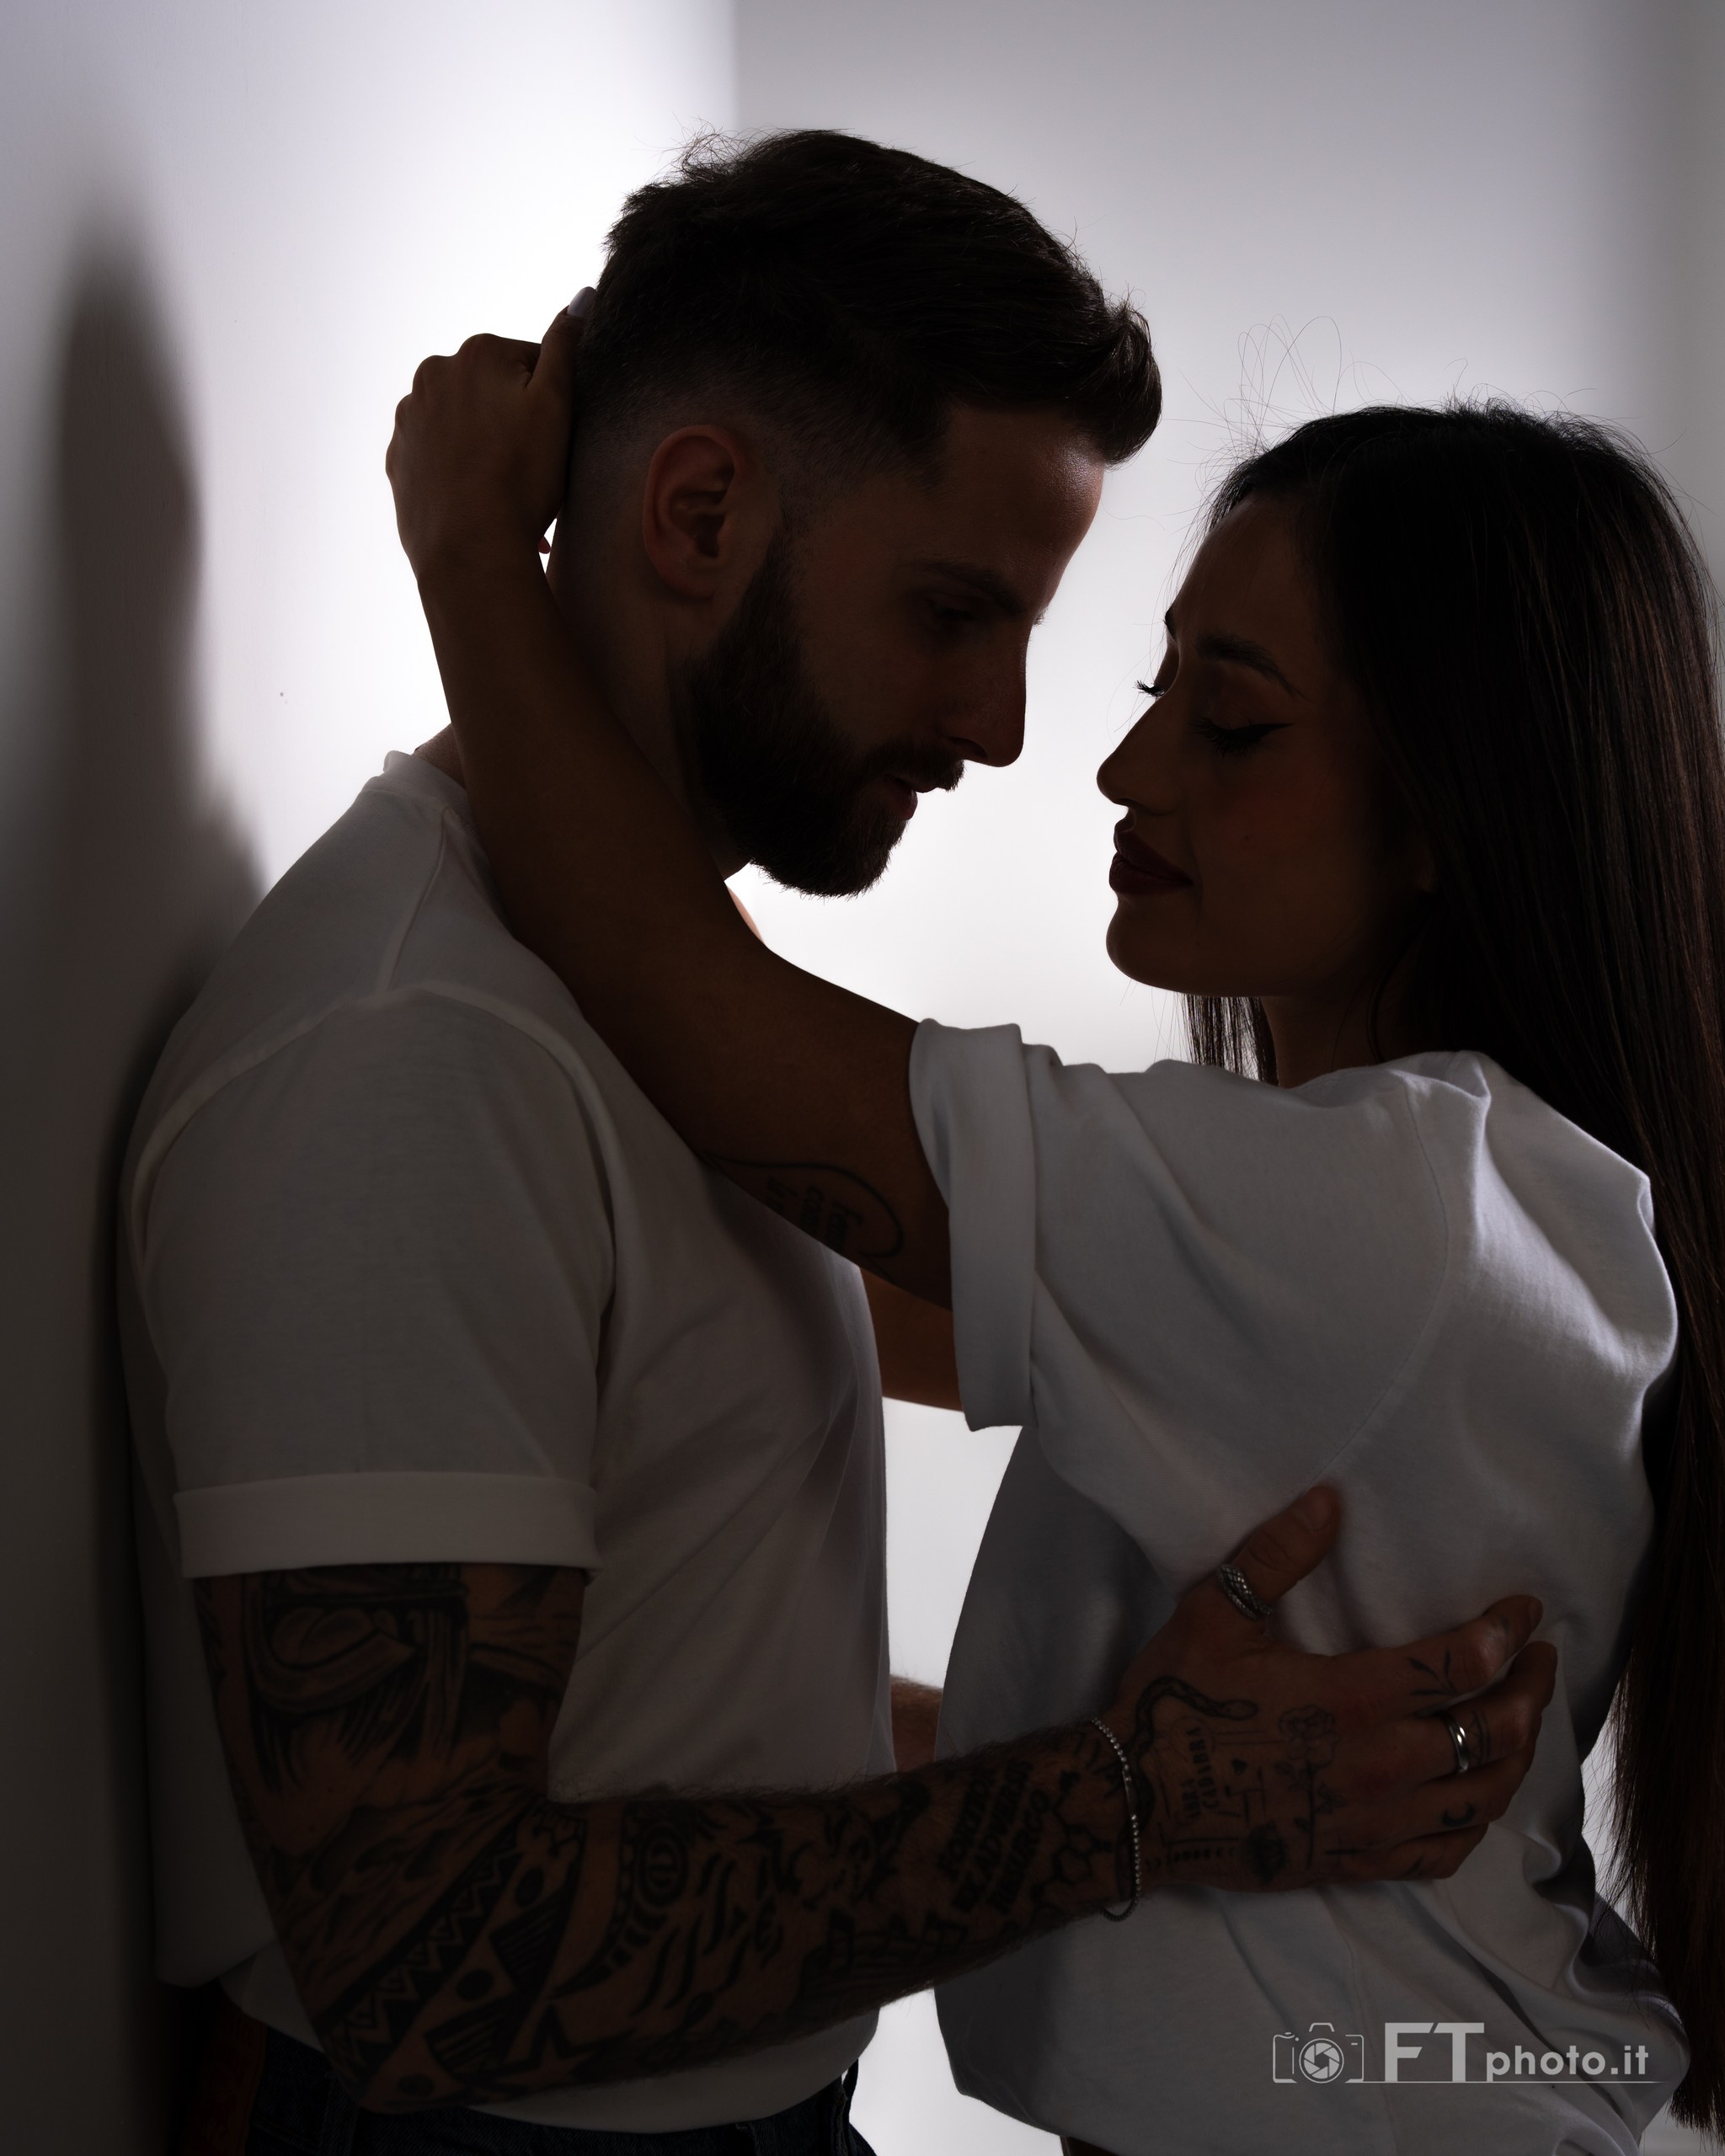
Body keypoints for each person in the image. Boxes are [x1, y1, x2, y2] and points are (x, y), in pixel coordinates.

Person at [120, 134, 1553, 2156]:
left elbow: (677, 1701)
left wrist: (1149, 1779)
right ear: (699, 511)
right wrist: (1128, 1801)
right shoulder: (417, 1053)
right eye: (954, 610)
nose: (1010, 729)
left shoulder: (692, 1038)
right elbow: (431, 1958)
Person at [383, 274, 1724, 2149]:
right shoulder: (1427, 1216)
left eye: (1229, 722)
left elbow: (701, 1017)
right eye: (1160, 689)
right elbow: (810, 1273)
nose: (1118, 766)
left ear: (1449, 817)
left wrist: (469, 554)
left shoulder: (1396, 1213)